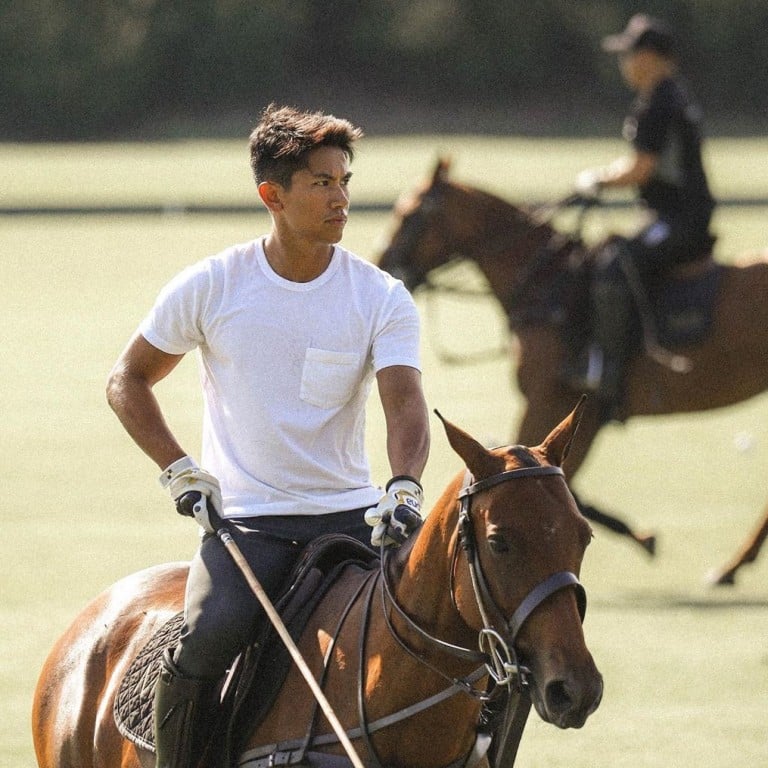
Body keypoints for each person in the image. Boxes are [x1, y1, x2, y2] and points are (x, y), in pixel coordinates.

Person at [106, 104, 430, 768]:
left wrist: (403, 486)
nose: (341, 198)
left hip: (355, 521)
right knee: (204, 641)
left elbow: (405, 407)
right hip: (249, 528)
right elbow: (127, 380)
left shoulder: (381, 297)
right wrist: (179, 471)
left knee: (452, 626)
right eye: (321, 182)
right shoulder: (213, 286)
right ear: (272, 196)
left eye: (344, 180)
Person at [570, 13, 715, 408]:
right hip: (675, 216)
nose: (624, 63)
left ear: (650, 57)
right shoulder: (663, 96)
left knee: (619, 265)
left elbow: (641, 168)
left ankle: (609, 369)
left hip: (680, 222)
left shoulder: (661, 102)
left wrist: (596, 180)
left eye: (629, 54)